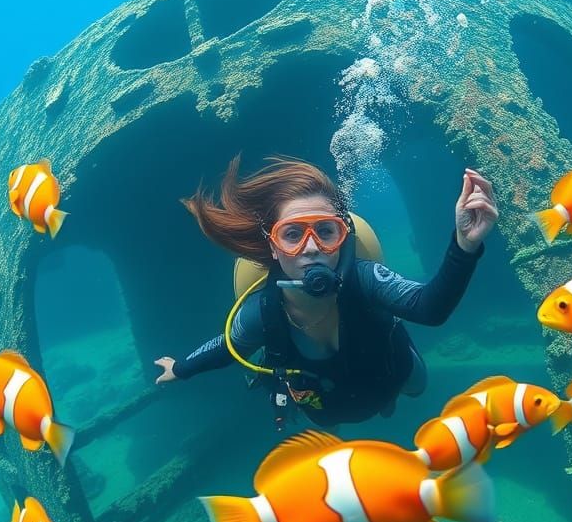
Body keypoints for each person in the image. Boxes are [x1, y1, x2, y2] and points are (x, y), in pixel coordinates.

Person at [154, 156, 497, 428]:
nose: (311, 248)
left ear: (342, 237)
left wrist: (464, 244)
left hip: (388, 378)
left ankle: (389, 397)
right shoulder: (263, 311)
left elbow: (430, 309)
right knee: (319, 417)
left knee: (416, 386)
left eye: (325, 231)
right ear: (272, 246)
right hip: (325, 405)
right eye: (292, 235)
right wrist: (181, 368)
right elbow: (228, 346)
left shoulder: (365, 278)